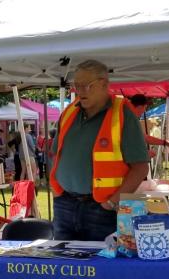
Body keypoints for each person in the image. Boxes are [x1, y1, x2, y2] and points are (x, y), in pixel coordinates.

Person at [50, 59, 149, 241]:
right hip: (64, 204)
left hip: (101, 209)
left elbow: (140, 167)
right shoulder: (69, 112)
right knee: (63, 265)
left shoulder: (123, 115)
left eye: (86, 86)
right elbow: (55, 153)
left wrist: (112, 202)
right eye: (76, 86)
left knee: (100, 267)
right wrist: (56, 189)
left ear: (104, 84)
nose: (79, 91)